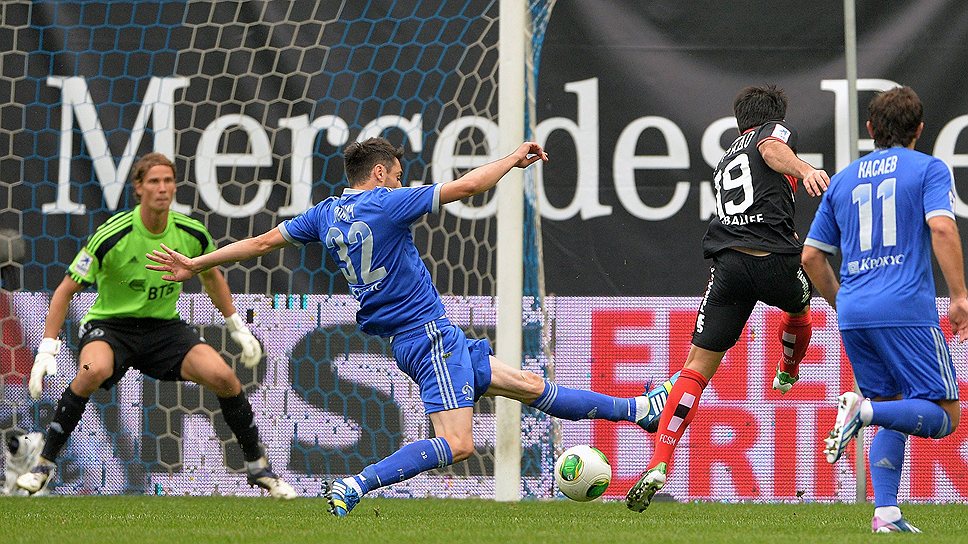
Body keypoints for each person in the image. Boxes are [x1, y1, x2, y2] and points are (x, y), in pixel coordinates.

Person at [146, 137, 676, 516]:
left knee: (528, 385)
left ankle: (639, 412)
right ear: (379, 173)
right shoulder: (386, 203)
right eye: (397, 173)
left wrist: (197, 263)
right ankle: (356, 484)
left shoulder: (327, 215)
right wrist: (513, 158)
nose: (401, 180)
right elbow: (467, 186)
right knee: (457, 443)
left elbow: (261, 243)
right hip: (428, 338)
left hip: (422, 337)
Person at [20, 152, 296, 499]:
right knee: (92, 370)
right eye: (154, 181)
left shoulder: (191, 233)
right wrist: (47, 348)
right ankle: (43, 464)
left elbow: (212, 278)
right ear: (138, 188)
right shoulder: (112, 235)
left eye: (168, 180)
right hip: (111, 326)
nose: (162, 188)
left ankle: (259, 468)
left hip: (164, 329)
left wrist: (236, 325)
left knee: (225, 377)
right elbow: (64, 291)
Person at [625, 84, 831, 513]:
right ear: (772, 118)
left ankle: (659, 461)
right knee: (799, 307)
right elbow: (773, 148)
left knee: (695, 369)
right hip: (775, 262)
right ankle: (788, 370)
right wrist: (805, 168)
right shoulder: (772, 134)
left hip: (729, 268)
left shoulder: (725, 158)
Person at [801, 86, 963, 533]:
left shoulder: (843, 180)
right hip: (906, 309)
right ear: (919, 130)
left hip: (855, 311)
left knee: (892, 406)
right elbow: (942, 229)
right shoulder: (928, 168)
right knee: (945, 415)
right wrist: (960, 296)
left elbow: (811, 257)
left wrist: (844, 303)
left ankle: (886, 513)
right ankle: (862, 412)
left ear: (871, 129)